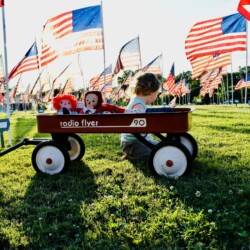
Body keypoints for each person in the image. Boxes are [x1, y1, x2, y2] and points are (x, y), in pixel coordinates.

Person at [121, 72, 161, 160]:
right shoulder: (138, 105)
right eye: (157, 93)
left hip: (138, 141)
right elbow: (137, 126)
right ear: (151, 92)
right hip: (133, 143)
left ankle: (132, 153)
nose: (156, 96)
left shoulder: (138, 101)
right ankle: (130, 154)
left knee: (160, 147)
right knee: (157, 152)